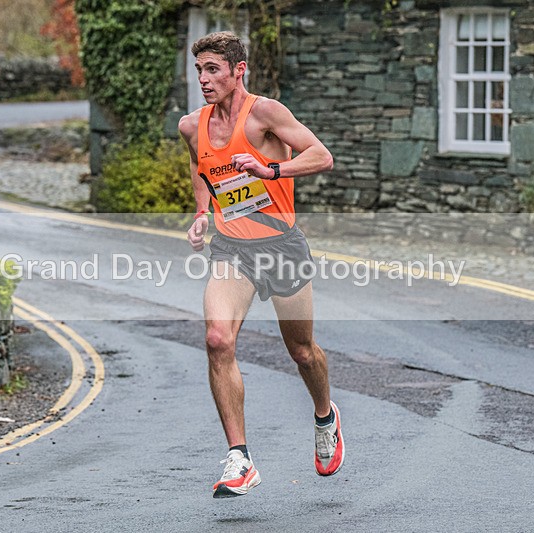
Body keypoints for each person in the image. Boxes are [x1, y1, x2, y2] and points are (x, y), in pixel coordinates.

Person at [178, 31, 344, 499]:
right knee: (216, 338)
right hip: (232, 249)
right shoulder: (192, 125)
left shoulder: (266, 114)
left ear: (238, 71)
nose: (205, 80)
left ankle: (325, 416)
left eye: (213, 70)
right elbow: (199, 167)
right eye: (200, 71)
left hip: (281, 245)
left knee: (302, 351)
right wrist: (201, 213)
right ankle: (240, 458)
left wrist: (270, 170)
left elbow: (321, 156)